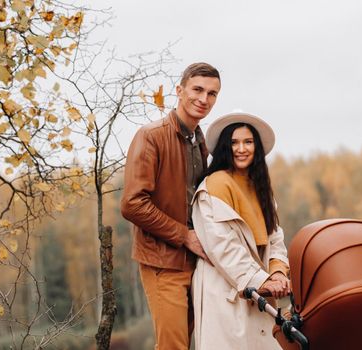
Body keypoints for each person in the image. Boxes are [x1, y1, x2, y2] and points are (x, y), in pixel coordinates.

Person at [120, 62, 221, 349]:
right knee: (173, 346)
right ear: (179, 90)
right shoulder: (151, 135)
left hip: (196, 261)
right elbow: (132, 204)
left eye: (212, 94)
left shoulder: (200, 141)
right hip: (161, 261)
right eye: (198, 89)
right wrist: (183, 235)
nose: (204, 99)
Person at [191, 112, 291, 349]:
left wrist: (277, 272)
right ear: (226, 147)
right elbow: (223, 247)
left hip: (260, 288)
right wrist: (262, 280)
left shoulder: (261, 188)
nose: (241, 149)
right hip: (225, 288)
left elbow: (275, 237)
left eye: (248, 142)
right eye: (234, 142)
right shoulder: (213, 186)